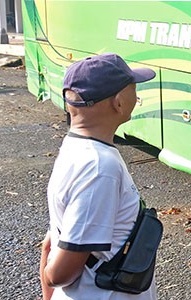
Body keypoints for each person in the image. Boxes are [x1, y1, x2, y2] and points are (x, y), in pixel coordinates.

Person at [40, 53, 158, 300]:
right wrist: (49, 277)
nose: (137, 95)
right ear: (118, 102)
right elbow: (61, 272)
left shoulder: (74, 146)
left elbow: (51, 242)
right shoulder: (98, 167)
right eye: (133, 87)